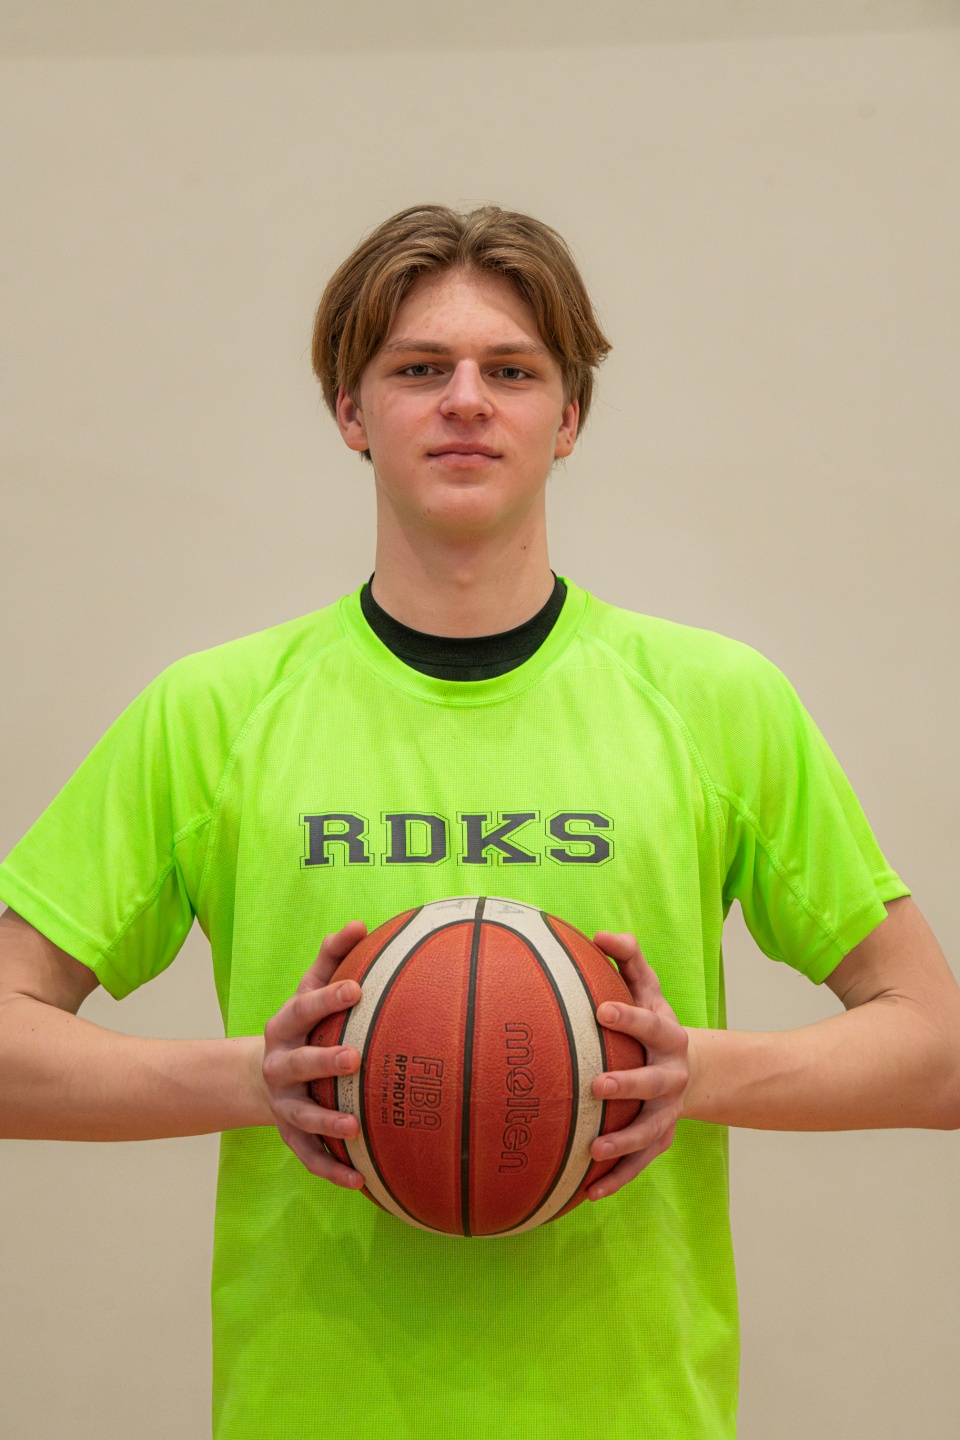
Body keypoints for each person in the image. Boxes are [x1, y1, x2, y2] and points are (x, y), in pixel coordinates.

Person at [1, 203, 958, 1440]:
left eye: (511, 370)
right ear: (351, 412)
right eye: (418, 370)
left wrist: (690, 1071)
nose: (465, 400)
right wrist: (253, 1079)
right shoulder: (214, 713)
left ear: (569, 418)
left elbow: (937, 1049)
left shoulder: (718, 703)